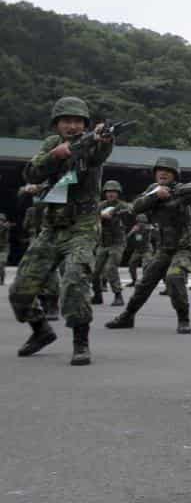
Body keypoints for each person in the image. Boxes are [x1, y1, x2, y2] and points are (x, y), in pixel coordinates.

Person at [10, 97, 115, 365]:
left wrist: (103, 138)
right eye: (66, 121)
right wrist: (55, 156)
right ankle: (41, 331)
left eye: (77, 121)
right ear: (56, 125)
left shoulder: (93, 143)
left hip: (82, 226)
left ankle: (81, 342)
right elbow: (31, 174)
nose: (72, 125)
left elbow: (100, 154)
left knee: (74, 280)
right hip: (52, 226)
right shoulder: (51, 145)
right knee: (20, 290)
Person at [105, 157, 191, 334]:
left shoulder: (182, 191)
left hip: (184, 246)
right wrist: (156, 195)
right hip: (165, 247)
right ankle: (127, 316)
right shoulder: (152, 190)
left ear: (175, 175)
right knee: (145, 282)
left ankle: (183, 318)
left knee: (174, 277)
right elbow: (135, 207)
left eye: (168, 171)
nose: (163, 173)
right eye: (160, 170)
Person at [93, 180, 128, 307]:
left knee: (110, 268)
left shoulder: (122, 205)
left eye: (113, 192)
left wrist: (112, 213)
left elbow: (130, 211)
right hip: (102, 243)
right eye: (108, 192)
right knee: (95, 271)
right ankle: (97, 295)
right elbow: (92, 216)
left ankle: (118, 295)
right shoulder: (100, 206)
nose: (111, 194)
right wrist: (100, 216)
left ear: (118, 193)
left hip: (117, 243)